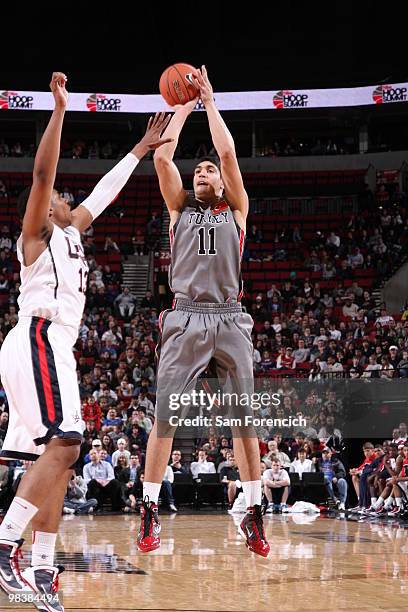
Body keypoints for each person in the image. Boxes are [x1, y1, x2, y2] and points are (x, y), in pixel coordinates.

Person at [0, 72, 171, 605]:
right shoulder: (35, 234)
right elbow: (43, 171)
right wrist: (59, 111)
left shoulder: (73, 231)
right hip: (37, 336)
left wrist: (141, 149)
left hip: (58, 348)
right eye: (58, 197)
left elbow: (105, 189)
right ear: (46, 207)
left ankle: (45, 566)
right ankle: (6, 545)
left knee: (62, 455)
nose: (64, 196)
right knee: (68, 443)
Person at [138, 66, 269, 558]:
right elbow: (163, 158)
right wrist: (182, 107)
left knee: (244, 422)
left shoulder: (236, 211)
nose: (203, 171)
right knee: (164, 420)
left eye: (209, 169)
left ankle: (253, 511)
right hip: (186, 316)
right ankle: (149, 511)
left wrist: (210, 102)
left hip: (231, 316)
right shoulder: (180, 209)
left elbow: (230, 153)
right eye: (200, 170)